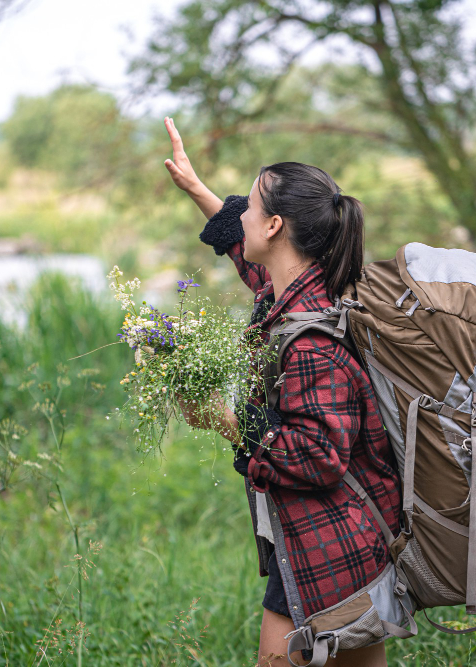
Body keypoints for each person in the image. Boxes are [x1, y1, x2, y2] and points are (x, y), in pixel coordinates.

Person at [162, 117, 402, 667]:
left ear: (273, 226)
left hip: (324, 550)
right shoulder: (297, 292)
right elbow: (248, 264)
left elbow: (318, 458)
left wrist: (224, 419)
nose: (238, 215)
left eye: (247, 206)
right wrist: (196, 189)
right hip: (352, 545)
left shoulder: (310, 339)